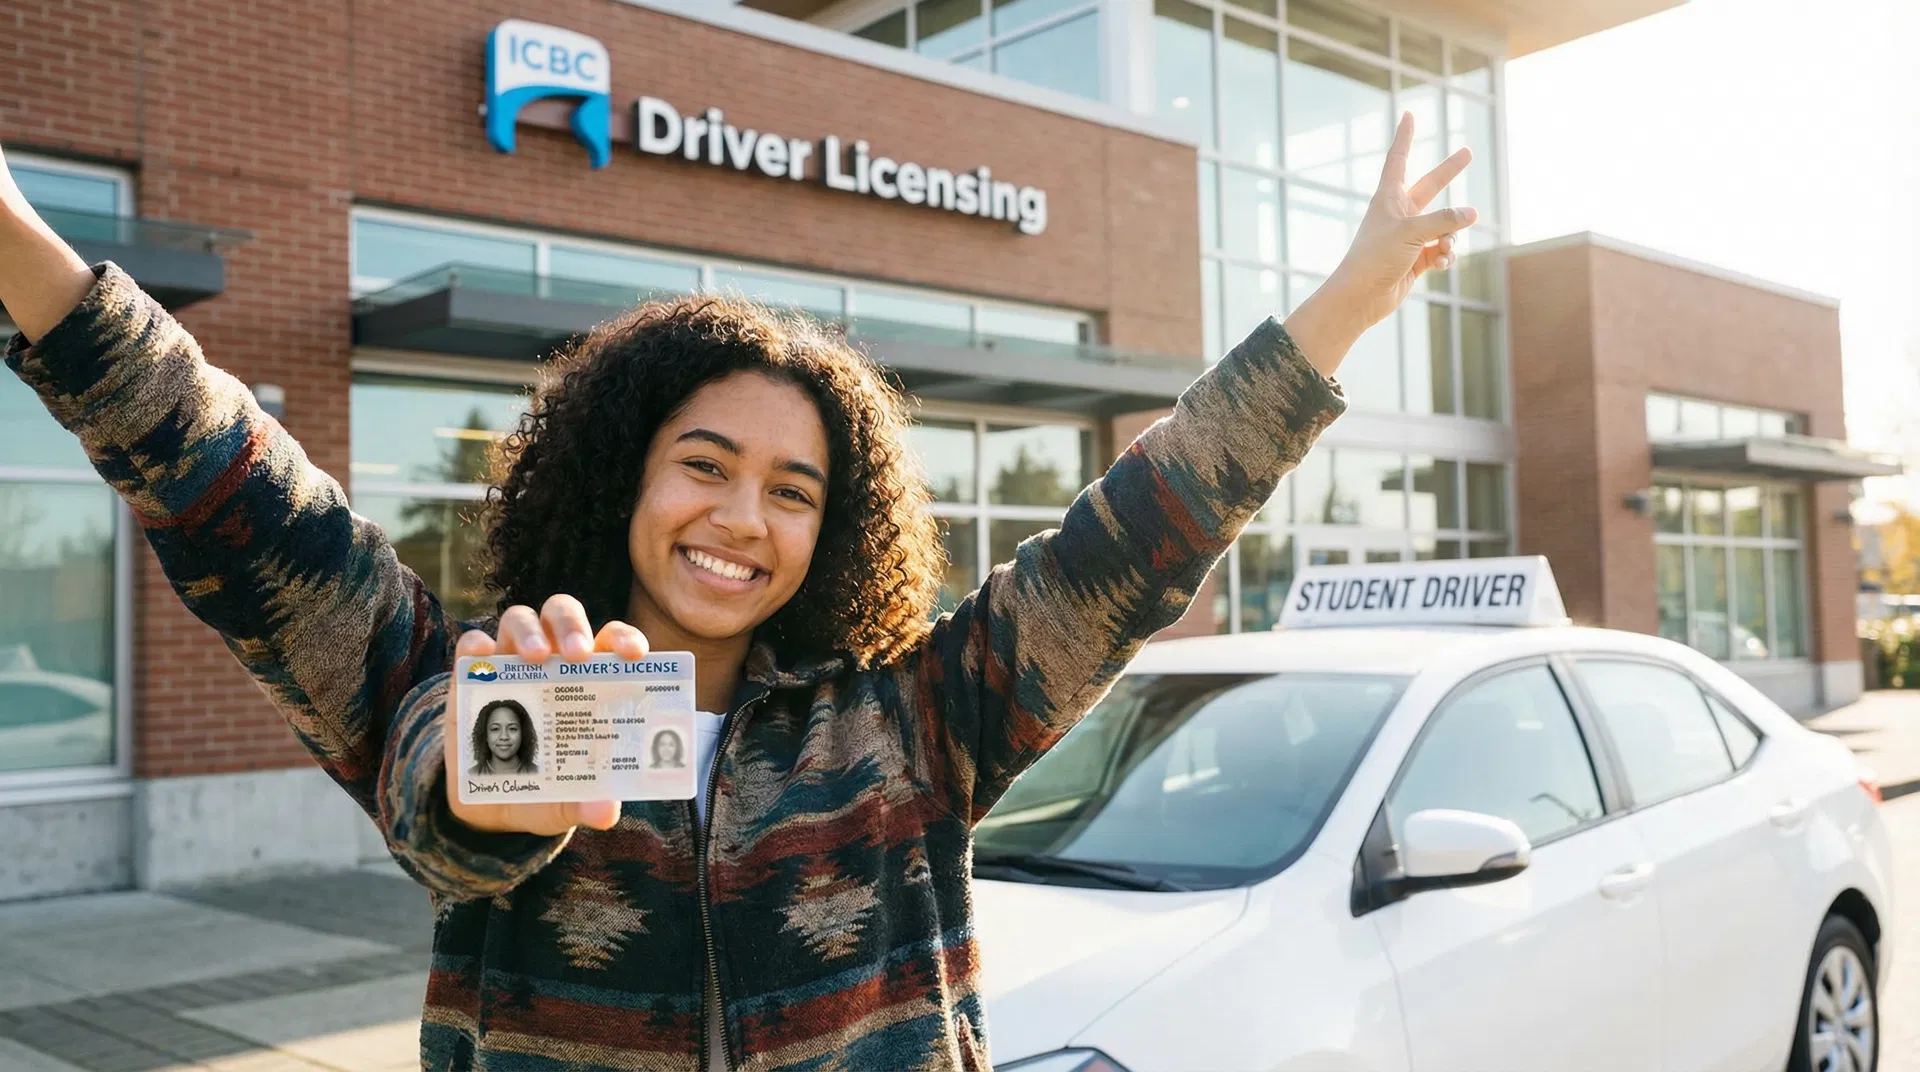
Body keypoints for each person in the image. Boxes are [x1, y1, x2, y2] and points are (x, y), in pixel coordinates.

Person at [0, 117, 1474, 1070]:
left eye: (793, 488)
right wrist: (15, 233)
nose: (741, 519)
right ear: (624, 477)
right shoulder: (458, 680)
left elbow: (1148, 525)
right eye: (704, 464)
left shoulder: (920, 719)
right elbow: (230, 493)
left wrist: (1346, 301)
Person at [470, 699, 540, 775]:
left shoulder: (538, 773)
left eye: (512, 729)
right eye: (495, 729)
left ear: (523, 733)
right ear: (485, 734)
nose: (504, 737)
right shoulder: (471, 774)